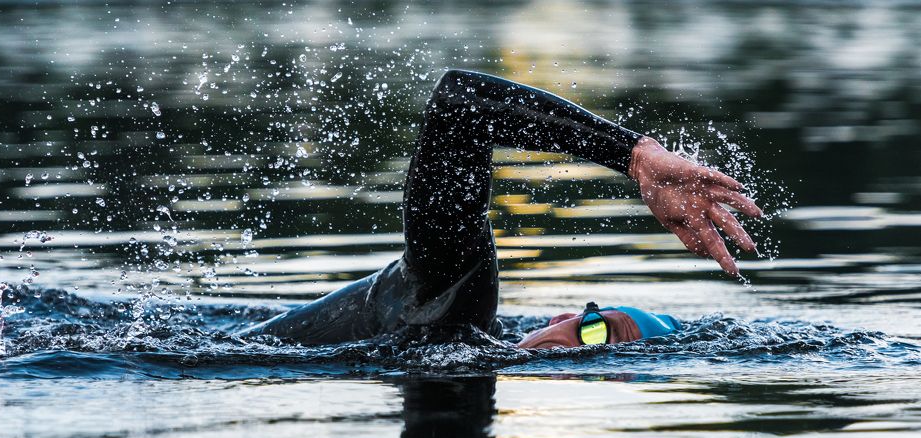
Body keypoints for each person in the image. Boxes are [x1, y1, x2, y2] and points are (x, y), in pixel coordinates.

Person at [240, 69, 763, 350]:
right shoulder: (454, 296)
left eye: (601, 364)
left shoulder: (478, 356)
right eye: (596, 335)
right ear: (564, 316)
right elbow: (459, 103)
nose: (579, 359)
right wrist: (633, 156)